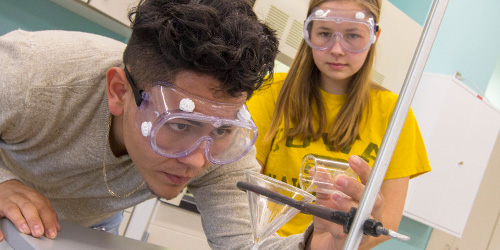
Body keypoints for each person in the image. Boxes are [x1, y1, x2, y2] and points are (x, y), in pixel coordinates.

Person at [0, 0, 385, 249]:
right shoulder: (32, 76)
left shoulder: (223, 145)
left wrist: (315, 245)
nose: (198, 161)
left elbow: (244, 247)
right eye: (181, 124)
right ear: (119, 92)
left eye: (219, 130)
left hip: (89, 222)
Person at [247, 0, 432, 248]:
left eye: (353, 35)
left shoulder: (394, 114)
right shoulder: (270, 93)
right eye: (324, 33)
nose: (336, 49)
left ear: (374, 35)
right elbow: (241, 186)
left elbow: (387, 223)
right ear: (308, 31)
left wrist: (335, 244)